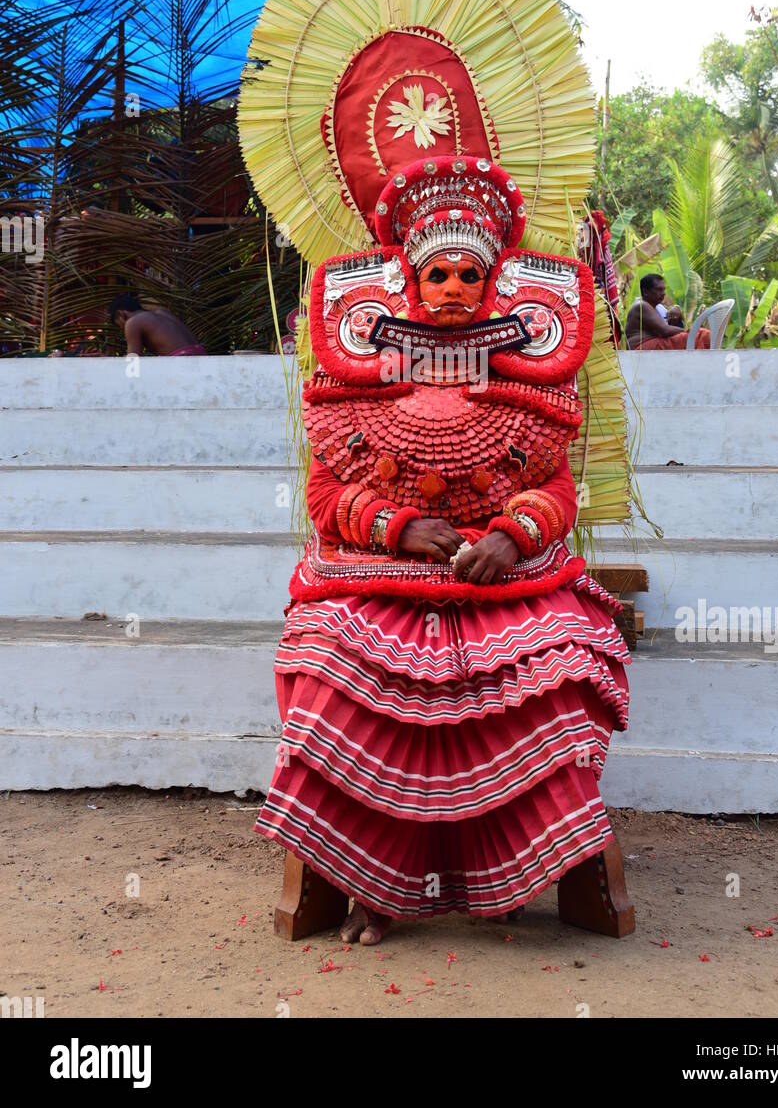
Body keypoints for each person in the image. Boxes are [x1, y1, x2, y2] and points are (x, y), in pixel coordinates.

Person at [254, 156, 630, 944]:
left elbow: (557, 491)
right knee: (327, 664)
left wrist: (506, 535)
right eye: (437, 276)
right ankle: (370, 876)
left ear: (494, 285)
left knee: (558, 666)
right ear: (409, 285)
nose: (453, 288)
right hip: (374, 586)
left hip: (508, 585)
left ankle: (517, 866)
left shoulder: (531, 386)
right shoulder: (352, 386)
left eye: (468, 274)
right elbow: (326, 497)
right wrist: (397, 529)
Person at [625, 273, 710, 350]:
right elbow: (665, 331)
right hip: (640, 348)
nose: (663, 293)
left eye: (663, 290)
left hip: (651, 345)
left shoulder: (656, 307)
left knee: (699, 335)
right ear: (645, 291)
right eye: (659, 290)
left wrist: (677, 313)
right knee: (699, 335)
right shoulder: (642, 305)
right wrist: (690, 331)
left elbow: (671, 326)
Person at [108, 294, 207, 356]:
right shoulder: (163, 312)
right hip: (202, 355)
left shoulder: (132, 323)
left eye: (120, 326)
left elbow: (133, 359)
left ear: (120, 314)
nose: (123, 329)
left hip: (181, 360)